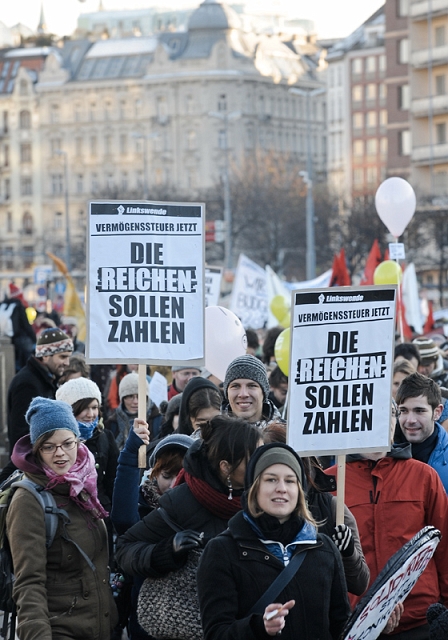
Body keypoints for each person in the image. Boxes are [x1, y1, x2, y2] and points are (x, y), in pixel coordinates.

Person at [197, 442, 351, 640]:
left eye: (290, 481)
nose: (281, 488)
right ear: (254, 487)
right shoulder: (222, 551)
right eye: (271, 480)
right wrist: (259, 627)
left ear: (299, 491)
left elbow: (342, 626)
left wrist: (376, 623)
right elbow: (216, 633)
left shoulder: (324, 548)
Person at [326, 401, 448, 639]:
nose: (380, 421)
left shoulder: (423, 475)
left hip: (419, 619)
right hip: (356, 621)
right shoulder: (329, 483)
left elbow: (444, 546)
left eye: (390, 413)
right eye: (367, 414)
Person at [6, 397, 118, 640]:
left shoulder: (83, 483)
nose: (60, 454)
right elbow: (28, 584)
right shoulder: (28, 500)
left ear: (78, 441)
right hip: (60, 631)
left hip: (99, 627)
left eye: (67, 443)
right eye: (48, 446)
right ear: (37, 449)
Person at [115, 415, 261, 582]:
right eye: (254, 458)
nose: (263, 464)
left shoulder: (262, 499)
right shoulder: (181, 501)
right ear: (226, 467)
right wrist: (167, 550)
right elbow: (125, 549)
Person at [260, 422, 369, 596]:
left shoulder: (332, 508)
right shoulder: (250, 514)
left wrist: (348, 553)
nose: (280, 484)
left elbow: (359, 583)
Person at [111, 423, 194, 640]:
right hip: (148, 624)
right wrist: (130, 454)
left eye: (183, 475)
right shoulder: (143, 506)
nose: (174, 484)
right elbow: (124, 519)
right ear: (154, 474)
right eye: (167, 475)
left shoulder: (205, 509)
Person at [0, 327, 73, 484]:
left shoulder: (44, 380)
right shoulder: (27, 383)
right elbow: (22, 432)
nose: (67, 363)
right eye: (63, 357)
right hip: (29, 465)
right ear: (46, 356)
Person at [55, 377, 119, 528]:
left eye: (95, 407)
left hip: (101, 516)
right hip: (67, 517)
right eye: (85, 408)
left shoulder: (105, 437)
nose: (91, 414)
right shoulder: (55, 440)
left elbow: (113, 480)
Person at [395, 372, 448, 492]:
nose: (410, 420)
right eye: (403, 411)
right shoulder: (380, 456)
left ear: (437, 412)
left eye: (419, 411)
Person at [222, 354, 282, 428]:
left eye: (252, 386)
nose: (243, 394)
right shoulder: (212, 435)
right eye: (235, 386)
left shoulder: (288, 435)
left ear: (264, 392)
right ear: (227, 392)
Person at [105, 372, 162, 448]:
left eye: (140, 396)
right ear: (122, 399)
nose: (135, 401)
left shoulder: (159, 422)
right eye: (130, 396)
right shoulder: (111, 424)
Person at [0, 283, 36, 371]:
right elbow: (26, 325)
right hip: (19, 339)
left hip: (5, 338)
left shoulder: (2, 305)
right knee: (24, 363)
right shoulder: (18, 305)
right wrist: (34, 338)